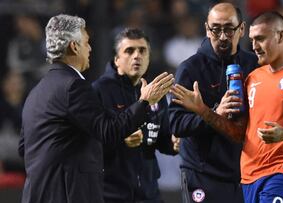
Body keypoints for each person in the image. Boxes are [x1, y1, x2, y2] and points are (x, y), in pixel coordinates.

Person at [170, 11, 283, 203]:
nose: (254, 46)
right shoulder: (253, 78)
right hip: (249, 177)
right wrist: (204, 111)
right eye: (252, 40)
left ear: (281, 35)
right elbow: (238, 133)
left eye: (260, 39)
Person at [18, 14, 174, 203]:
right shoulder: (73, 87)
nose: (90, 48)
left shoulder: (37, 91)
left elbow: (24, 148)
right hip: (67, 195)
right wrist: (144, 102)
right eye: (86, 42)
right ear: (74, 47)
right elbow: (108, 130)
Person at [168, 3, 258, 203]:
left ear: (242, 29)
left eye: (229, 28)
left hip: (245, 173)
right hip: (202, 174)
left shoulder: (254, 66)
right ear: (207, 30)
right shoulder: (190, 69)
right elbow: (176, 123)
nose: (223, 36)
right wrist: (215, 112)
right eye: (216, 29)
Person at [92, 28, 179, 203]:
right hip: (111, 194)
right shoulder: (99, 90)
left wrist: (174, 143)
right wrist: (120, 139)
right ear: (116, 60)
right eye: (129, 50)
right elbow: (91, 143)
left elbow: (162, 140)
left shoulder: (155, 92)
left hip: (149, 193)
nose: (137, 55)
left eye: (142, 50)